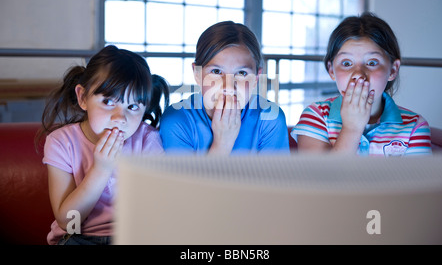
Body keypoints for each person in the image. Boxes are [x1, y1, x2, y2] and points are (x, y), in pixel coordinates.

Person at [38, 45, 169, 244]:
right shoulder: (61, 142)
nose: (120, 118)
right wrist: (102, 169)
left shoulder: (146, 139)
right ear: (83, 97)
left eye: (133, 107)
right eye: (108, 101)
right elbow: (68, 223)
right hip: (77, 237)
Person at [291, 12, 432, 156]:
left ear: (393, 70)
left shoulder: (414, 126)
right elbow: (319, 178)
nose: (358, 74)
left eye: (372, 63)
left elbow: (418, 179)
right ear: (331, 70)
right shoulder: (316, 116)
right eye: (346, 63)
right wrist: (352, 128)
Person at [159, 21, 290, 155]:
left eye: (241, 73)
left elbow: (274, 176)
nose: (228, 87)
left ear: (256, 78)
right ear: (197, 74)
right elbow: (181, 177)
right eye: (216, 72)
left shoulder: (270, 119)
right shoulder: (177, 120)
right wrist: (222, 144)